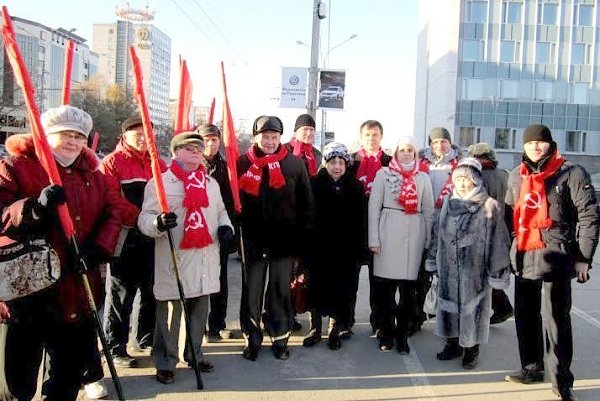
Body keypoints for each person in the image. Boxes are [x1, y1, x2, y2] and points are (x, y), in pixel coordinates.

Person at [0, 105, 121, 401]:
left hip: (77, 291)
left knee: (66, 377)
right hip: (27, 294)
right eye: (65, 134)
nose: (73, 142)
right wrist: (33, 207)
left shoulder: (94, 175)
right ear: (46, 134)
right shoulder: (16, 166)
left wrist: (99, 248)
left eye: (79, 136)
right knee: (17, 381)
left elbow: (113, 214)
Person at [504, 125, 599, 401]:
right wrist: (513, 246)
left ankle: (561, 380)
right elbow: (512, 215)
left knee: (557, 321)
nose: (535, 147)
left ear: (550, 144)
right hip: (524, 255)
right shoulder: (516, 176)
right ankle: (531, 368)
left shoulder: (571, 172)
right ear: (523, 147)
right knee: (525, 316)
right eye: (530, 142)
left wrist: (583, 258)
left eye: (540, 142)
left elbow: (589, 216)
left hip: (556, 256)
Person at [137, 131, 233, 384]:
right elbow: (144, 218)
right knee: (170, 315)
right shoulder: (160, 183)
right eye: (190, 148)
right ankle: (166, 362)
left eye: (199, 148)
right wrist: (157, 222)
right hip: (175, 258)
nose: (196, 152)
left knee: (199, 311)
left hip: (205, 257)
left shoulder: (210, 183)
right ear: (176, 152)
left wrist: (226, 227)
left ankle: (194, 353)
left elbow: (221, 211)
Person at [238, 115, 315, 361]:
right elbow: (234, 203)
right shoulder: (241, 163)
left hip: (284, 240)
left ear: (280, 138)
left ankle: (280, 338)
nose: (269, 141)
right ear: (256, 137)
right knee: (252, 292)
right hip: (253, 239)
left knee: (280, 291)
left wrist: (302, 238)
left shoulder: (293, 164)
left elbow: (306, 203)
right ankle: (251, 338)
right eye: (264, 136)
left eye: (274, 137)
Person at [426, 157, 511, 369]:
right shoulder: (448, 203)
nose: (462, 184)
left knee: (473, 309)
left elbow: (498, 240)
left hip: (475, 271)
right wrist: (432, 259)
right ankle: (452, 343)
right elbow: (437, 233)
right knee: (449, 306)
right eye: (458, 179)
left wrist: (497, 270)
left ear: (476, 180)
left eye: (467, 179)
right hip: (447, 267)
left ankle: (472, 349)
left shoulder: (488, 205)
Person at [101, 115, 166, 368]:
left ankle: (145, 336)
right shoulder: (112, 163)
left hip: (153, 236)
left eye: (148, 134)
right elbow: (111, 200)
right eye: (137, 134)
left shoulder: (157, 163)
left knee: (152, 289)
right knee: (121, 294)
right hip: (125, 236)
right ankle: (115, 345)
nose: (143, 139)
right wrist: (142, 219)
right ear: (124, 136)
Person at [368, 136, 434, 353]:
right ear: (395, 152)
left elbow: (428, 211)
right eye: (402, 150)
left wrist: (427, 241)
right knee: (386, 292)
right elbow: (374, 208)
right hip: (388, 233)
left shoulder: (423, 177)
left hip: (414, 236)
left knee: (408, 293)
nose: (406, 153)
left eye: (410, 150)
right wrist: (374, 239)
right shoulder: (383, 174)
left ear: (415, 153)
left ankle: (403, 334)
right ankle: (386, 332)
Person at [302, 142, 366, 350]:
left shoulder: (355, 187)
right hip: (317, 247)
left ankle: (335, 328)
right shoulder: (313, 184)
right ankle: (315, 328)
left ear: (346, 164)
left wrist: (359, 249)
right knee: (316, 287)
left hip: (345, 249)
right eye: (332, 162)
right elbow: (305, 216)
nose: (337, 166)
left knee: (341, 290)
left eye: (341, 162)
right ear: (325, 164)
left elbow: (360, 220)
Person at [347, 119, 392, 338]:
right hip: (355, 228)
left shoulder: (389, 162)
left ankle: (379, 323)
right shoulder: (350, 161)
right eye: (367, 135)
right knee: (350, 279)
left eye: (375, 135)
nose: (371, 139)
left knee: (379, 281)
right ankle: (346, 321)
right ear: (361, 137)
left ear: (381, 137)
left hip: (381, 229)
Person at [415, 127, 462, 334]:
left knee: (446, 276)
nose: (439, 146)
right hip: (424, 223)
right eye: (435, 142)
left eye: (444, 141)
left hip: (449, 226)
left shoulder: (459, 165)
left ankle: (446, 321)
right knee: (419, 273)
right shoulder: (420, 164)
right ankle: (416, 315)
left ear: (450, 143)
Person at [196, 124, 237, 341]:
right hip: (195, 232)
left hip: (219, 231)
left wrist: (229, 227)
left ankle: (217, 324)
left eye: (214, 140)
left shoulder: (226, 166)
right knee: (197, 281)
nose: (211, 144)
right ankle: (197, 325)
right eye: (206, 140)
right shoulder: (192, 166)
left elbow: (230, 200)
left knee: (220, 281)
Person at [467, 142, 515, 325]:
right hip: (502, 231)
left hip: (481, 230)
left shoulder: (476, 176)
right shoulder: (504, 175)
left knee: (479, 275)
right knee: (493, 272)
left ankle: (499, 308)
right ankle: (502, 307)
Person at [284, 113, 322, 332]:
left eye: (311, 130)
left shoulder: (316, 155)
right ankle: (280, 314)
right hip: (288, 221)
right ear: (296, 131)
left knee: (302, 273)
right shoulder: (285, 151)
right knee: (285, 273)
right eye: (304, 129)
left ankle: (295, 312)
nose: (307, 133)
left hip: (308, 221)